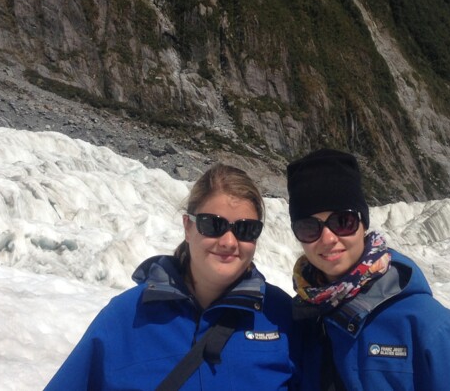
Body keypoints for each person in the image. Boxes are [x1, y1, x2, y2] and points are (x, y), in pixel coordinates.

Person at [45, 163, 298, 390]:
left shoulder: (281, 317)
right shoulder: (126, 317)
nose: (229, 242)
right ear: (188, 227)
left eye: (245, 229)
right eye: (213, 225)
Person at [286, 148, 450, 390]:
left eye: (342, 222)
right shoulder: (298, 323)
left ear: (363, 223)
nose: (328, 238)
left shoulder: (432, 329)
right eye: (309, 227)